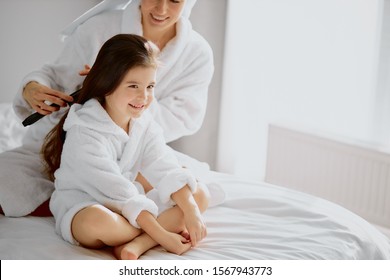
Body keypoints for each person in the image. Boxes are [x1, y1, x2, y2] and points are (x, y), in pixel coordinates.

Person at [0, 0, 217, 217]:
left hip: (135, 152)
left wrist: (120, 88)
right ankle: (91, 203)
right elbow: (56, 76)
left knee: (190, 186)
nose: (161, 9)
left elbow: (183, 118)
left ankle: (112, 208)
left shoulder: (197, 53)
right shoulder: (98, 28)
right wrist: (32, 88)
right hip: (71, 144)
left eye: (175, 0)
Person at [42, 33, 209, 260]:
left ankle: (138, 244)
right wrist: (163, 235)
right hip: (86, 203)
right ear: (107, 84)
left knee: (198, 195)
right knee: (97, 222)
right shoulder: (84, 130)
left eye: (150, 86)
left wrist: (191, 212)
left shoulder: (143, 122)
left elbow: (165, 166)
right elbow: (115, 189)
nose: (144, 96)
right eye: (133, 86)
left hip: (131, 205)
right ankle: (150, 232)